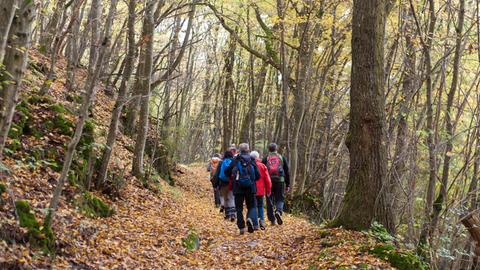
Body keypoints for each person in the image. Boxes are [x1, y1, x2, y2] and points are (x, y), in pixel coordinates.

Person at [226, 143, 260, 234]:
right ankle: (250, 219)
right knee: (252, 206)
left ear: (239, 150)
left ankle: (241, 227)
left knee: (239, 208)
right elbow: (258, 175)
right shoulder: (252, 159)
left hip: (238, 187)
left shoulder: (236, 159)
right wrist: (251, 180)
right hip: (251, 187)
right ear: (248, 149)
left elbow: (227, 172)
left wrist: (233, 177)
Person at [263, 143, 290, 226]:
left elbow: (262, 171)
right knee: (280, 198)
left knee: (269, 199)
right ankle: (278, 211)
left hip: (269, 181)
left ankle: (272, 220)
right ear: (276, 149)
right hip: (280, 180)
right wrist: (288, 184)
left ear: (269, 149)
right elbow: (287, 171)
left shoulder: (265, 158)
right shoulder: (281, 157)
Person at [250, 151, 271, 230]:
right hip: (261, 190)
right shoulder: (262, 166)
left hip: (251, 190)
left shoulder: (249, 165)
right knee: (260, 206)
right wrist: (268, 190)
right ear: (258, 157)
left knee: (253, 206)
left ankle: (255, 224)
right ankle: (261, 221)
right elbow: (267, 179)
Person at [213, 150, 236, 221]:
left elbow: (217, 174)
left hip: (223, 183)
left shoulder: (221, 162)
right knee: (232, 198)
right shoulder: (234, 162)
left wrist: (215, 185)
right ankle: (233, 214)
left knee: (226, 198)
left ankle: (227, 215)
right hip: (232, 182)